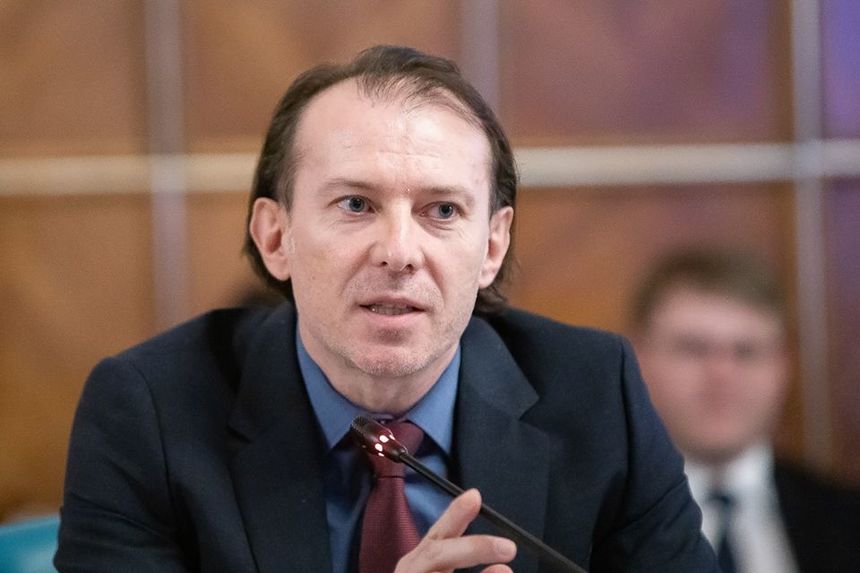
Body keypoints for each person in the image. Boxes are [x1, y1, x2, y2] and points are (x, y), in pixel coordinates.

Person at [55, 45, 718, 572]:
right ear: (275, 237)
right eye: (356, 205)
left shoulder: (595, 394)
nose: (399, 252)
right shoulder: (149, 412)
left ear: (491, 246)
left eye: (442, 210)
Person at [630, 249, 860, 573]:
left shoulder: (848, 521)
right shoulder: (587, 526)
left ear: (783, 366)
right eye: (694, 348)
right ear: (637, 359)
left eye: (746, 351)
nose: (722, 374)